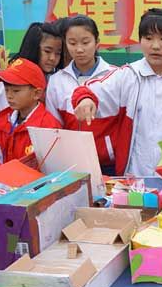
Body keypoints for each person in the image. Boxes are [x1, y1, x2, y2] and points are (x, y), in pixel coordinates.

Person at [72, 9, 162, 176]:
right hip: (133, 178)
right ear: (140, 40)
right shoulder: (128, 75)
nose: (155, 46)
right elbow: (90, 89)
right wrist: (85, 99)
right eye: (148, 38)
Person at [45, 15, 118, 174]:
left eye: (85, 42)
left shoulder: (115, 76)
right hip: (71, 163)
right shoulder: (57, 81)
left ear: (97, 43)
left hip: (108, 164)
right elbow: (55, 125)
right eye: (72, 43)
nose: (79, 49)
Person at [0, 58, 62, 164]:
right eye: (6, 90)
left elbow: (52, 166)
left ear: (37, 93)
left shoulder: (48, 127)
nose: (9, 96)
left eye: (16, 91)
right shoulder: (4, 120)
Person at [0, 21, 64, 117]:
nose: (53, 58)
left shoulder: (56, 79)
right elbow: (7, 118)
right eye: (47, 51)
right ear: (33, 48)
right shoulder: (11, 78)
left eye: (58, 53)